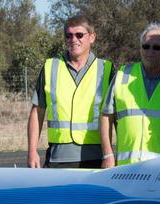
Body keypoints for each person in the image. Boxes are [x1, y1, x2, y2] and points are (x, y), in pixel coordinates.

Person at [27, 15, 113, 168]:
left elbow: (117, 117)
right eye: (69, 35)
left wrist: (110, 155)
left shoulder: (106, 69)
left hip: (97, 158)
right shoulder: (50, 67)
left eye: (79, 35)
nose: (74, 39)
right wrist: (32, 151)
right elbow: (37, 111)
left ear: (92, 37)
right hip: (58, 158)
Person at [100, 23, 160, 167]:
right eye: (146, 46)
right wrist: (107, 154)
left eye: (156, 47)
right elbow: (106, 115)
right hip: (127, 169)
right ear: (140, 48)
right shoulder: (122, 74)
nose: (150, 51)